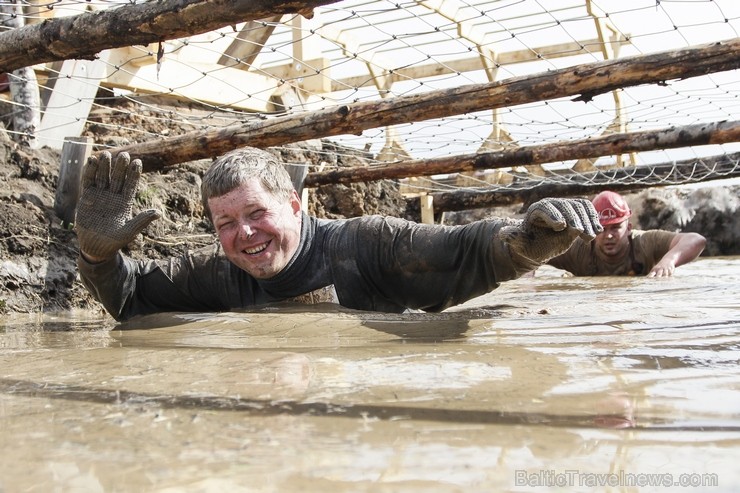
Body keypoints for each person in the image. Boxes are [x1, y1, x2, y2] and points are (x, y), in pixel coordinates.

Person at [75, 147, 602, 322]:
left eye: (257, 214)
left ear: (296, 205)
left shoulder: (366, 245)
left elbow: (464, 251)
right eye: (226, 224)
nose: (245, 234)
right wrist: (96, 256)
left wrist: (528, 239)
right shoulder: (217, 273)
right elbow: (132, 298)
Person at [547, 190, 706, 277]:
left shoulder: (644, 242)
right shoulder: (578, 249)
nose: (608, 236)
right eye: (601, 229)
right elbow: (532, 250)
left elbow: (696, 240)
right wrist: (529, 278)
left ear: (629, 227)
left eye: (615, 227)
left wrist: (669, 261)